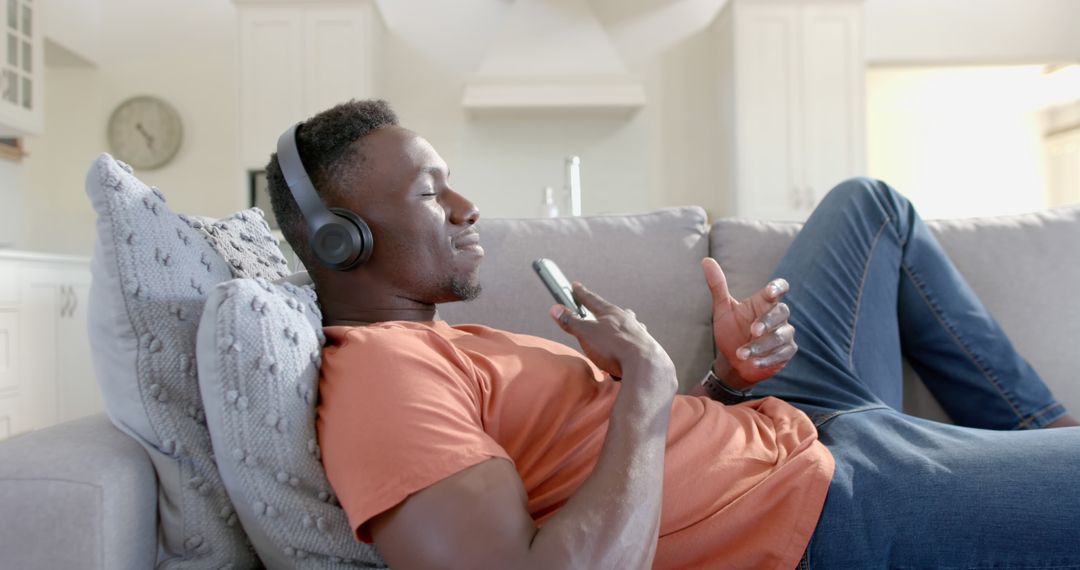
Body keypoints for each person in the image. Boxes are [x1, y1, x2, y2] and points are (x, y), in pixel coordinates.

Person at [265, 99, 1080, 569]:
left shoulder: (442, 345)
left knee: (869, 205)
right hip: (833, 503)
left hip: (799, 422)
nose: (469, 208)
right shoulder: (384, 382)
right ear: (344, 239)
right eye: (431, 191)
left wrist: (723, 381)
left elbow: (615, 467)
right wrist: (647, 391)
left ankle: (1038, 424)